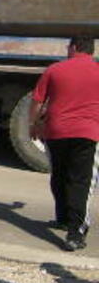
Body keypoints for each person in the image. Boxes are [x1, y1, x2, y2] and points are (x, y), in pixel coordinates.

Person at [29, 35, 99, 252]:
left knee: (59, 174)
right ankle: (75, 232)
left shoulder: (55, 70)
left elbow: (37, 101)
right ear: (91, 50)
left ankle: (62, 218)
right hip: (87, 133)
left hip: (56, 131)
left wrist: (34, 124)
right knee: (80, 181)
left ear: (74, 47)